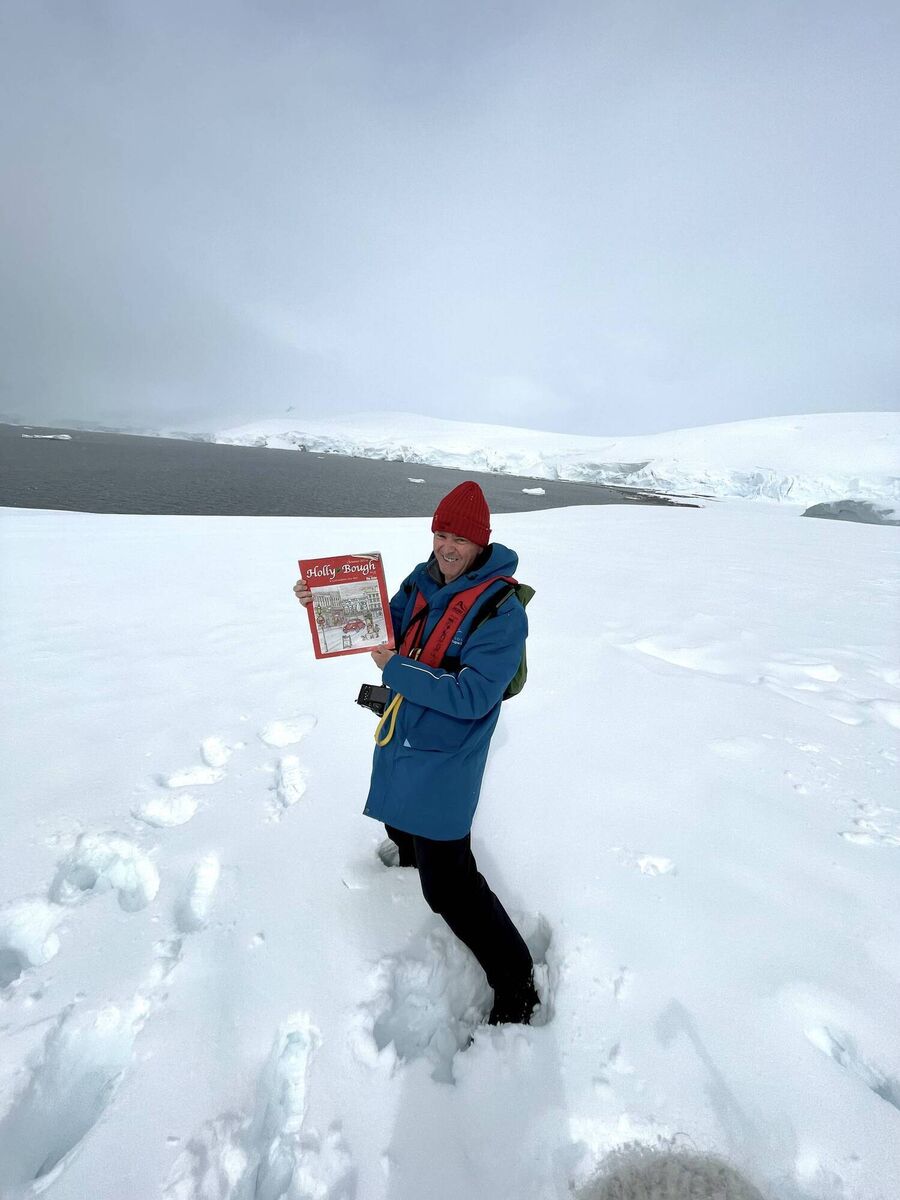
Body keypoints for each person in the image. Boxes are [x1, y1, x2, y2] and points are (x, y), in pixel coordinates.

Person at [294, 480, 539, 1025]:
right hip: (406, 734)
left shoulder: (500, 612)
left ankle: (517, 981)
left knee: (450, 886)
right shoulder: (423, 579)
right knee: (400, 822)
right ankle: (406, 861)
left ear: (481, 542)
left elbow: (473, 696)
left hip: (448, 757)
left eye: (460, 539)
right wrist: (326, 602)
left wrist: (397, 669)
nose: (447, 547)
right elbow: (385, 624)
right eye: (441, 534)